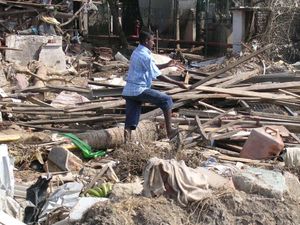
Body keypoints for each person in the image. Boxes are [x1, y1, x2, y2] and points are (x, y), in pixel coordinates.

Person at [122, 30, 188, 142]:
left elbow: (151, 67)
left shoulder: (137, 52)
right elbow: (157, 75)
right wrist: (177, 83)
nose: (153, 43)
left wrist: (166, 65)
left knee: (130, 121)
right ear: (147, 41)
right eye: (153, 40)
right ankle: (170, 132)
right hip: (139, 89)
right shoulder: (145, 55)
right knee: (166, 100)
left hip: (129, 91)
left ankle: (127, 144)